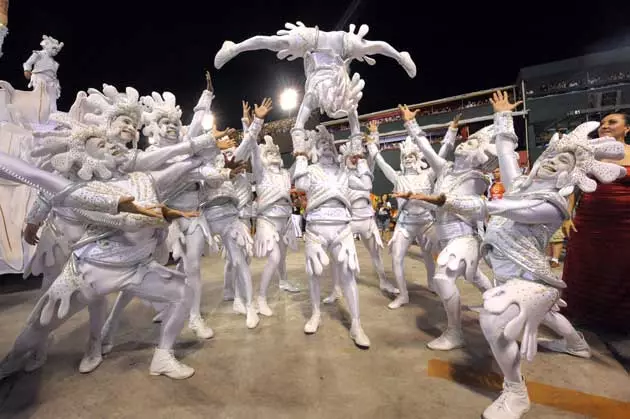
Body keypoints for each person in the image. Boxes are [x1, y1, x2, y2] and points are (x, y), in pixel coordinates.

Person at [559, 112, 630, 335]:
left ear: (627, 128)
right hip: (589, 219)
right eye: (602, 124)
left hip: (625, 222)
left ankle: (619, 320)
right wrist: (567, 214)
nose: (605, 126)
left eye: (612, 122)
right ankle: (582, 316)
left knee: (621, 268)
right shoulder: (588, 153)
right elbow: (573, 186)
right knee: (585, 264)